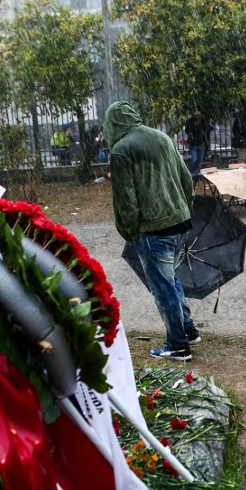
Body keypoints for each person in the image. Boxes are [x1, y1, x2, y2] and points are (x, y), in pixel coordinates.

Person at [103, 101, 201, 361]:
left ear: (112, 124)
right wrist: (182, 207)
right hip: (180, 223)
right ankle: (188, 330)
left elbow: (126, 200)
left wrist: (131, 232)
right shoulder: (162, 137)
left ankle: (178, 345)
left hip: (154, 229)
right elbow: (186, 180)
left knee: (162, 288)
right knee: (171, 279)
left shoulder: (121, 151)